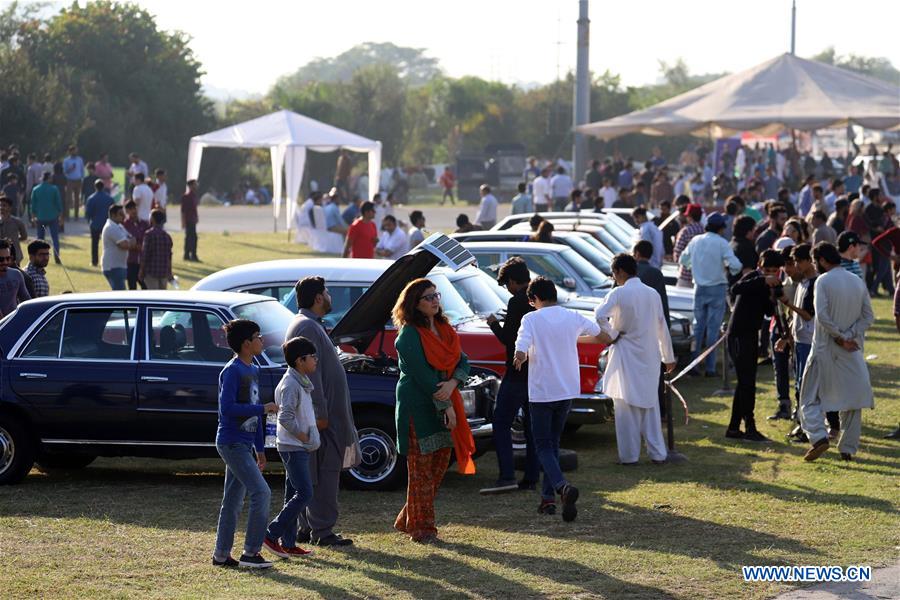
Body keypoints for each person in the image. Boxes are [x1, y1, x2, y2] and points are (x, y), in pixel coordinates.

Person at [392, 278, 475, 542]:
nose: (435, 300)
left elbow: (462, 360)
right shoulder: (407, 337)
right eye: (428, 297)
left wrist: (453, 382)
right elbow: (426, 378)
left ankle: (408, 518)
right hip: (418, 406)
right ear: (414, 304)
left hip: (445, 398)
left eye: (435, 295)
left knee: (439, 465)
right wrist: (447, 405)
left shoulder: (444, 328)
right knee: (420, 470)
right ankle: (422, 529)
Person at [513, 276, 600, 521]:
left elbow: (522, 343)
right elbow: (597, 332)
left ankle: (562, 487)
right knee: (552, 444)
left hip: (542, 391)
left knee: (542, 446)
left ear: (534, 299)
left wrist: (519, 356)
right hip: (567, 390)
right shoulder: (571, 316)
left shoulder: (530, 318)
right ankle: (548, 500)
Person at [286, 277, 361, 546]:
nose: (330, 296)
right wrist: (319, 414)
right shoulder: (306, 326)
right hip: (321, 419)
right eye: (327, 292)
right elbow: (310, 376)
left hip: (323, 416)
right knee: (324, 474)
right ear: (318, 298)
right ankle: (323, 531)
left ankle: (308, 527)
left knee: (316, 474)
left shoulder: (310, 325)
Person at [592, 254, 676, 464]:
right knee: (650, 405)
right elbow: (661, 326)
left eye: (614, 273)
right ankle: (658, 453)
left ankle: (629, 456)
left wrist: (612, 333)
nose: (614, 277)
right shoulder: (652, 293)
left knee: (625, 407)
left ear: (620, 271)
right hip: (649, 355)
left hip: (626, 353)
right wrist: (668, 356)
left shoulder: (619, 293)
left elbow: (599, 315)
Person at [212, 319, 279, 569]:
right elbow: (227, 408)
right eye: (258, 336)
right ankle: (251, 553)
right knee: (261, 492)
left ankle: (220, 555)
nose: (262, 340)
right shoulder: (232, 371)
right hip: (231, 442)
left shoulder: (254, 368)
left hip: (244, 444)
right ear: (246, 344)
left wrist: (260, 450)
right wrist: (263, 408)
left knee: (232, 501)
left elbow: (255, 414)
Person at [799, 242, 874, 462]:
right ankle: (848, 448)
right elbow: (868, 316)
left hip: (824, 348)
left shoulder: (822, 280)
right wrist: (850, 335)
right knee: (853, 399)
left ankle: (818, 436)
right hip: (851, 350)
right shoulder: (856, 280)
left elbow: (821, 316)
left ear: (822, 260)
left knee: (808, 398)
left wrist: (841, 337)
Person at [481, 258, 540, 495]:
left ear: (515, 282)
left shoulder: (517, 301)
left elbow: (508, 339)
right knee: (532, 427)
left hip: (516, 374)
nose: (507, 289)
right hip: (536, 373)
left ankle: (507, 475)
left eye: (507, 285)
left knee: (501, 422)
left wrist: (494, 323)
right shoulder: (539, 298)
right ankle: (531, 477)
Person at [261, 336, 320, 559]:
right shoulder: (291, 384)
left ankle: (288, 543)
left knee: (292, 494)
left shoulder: (300, 381)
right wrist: (304, 436)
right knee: (305, 493)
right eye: (312, 357)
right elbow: (284, 417)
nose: (315, 360)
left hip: (295, 446)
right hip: (292, 446)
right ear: (299, 360)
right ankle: (270, 534)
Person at [725, 250, 785, 442]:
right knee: (747, 384)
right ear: (760, 265)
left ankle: (734, 428)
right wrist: (763, 281)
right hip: (738, 336)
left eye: (775, 271)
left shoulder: (772, 283)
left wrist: (774, 297)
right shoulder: (753, 277)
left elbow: (769, 310)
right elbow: (735, 289)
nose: (771, 274)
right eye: (767, 269)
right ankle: (749, 427)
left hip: (751, 335)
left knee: (745, 383)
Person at [679, 213, 743, 376]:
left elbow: (683, 259)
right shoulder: (722, 243)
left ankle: (694, 365)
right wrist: (729, 269)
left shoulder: (695, 241)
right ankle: (710, 368)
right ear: (721, 228)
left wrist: (694, 267)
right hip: (717, 288)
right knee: (713, 329)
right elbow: (736, 265)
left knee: (698, 328)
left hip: (699, 288)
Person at [777, 244, 817, 437]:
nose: (796, 266)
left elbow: (808, 315)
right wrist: (788, 338)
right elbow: (796, 318)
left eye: (798, 262)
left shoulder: (815, 283)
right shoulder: (801, 283)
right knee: (799, 383)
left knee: (807, 385)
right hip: (799, 339)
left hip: (810, 340)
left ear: (809, 261)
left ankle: (809, 427)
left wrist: (787, 304)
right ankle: (802, 424)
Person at [633, 240, 671, 418]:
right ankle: (660, 410)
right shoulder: (655, 273)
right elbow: (662, 305)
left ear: (637, 253)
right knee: (655, 372)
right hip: (651, 330)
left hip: (630, 332)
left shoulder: (627, 274)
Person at [30, 172, 63, 263]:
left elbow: (33, 204)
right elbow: (58, 203)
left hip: (40, 217)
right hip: (52, 216)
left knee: (40, 239)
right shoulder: (54, 189)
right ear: (48, 178)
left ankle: (39, 257)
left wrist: (33, 216)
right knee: (54, 238)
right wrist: (61, 215)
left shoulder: (36, 189)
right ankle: (57, 256)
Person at [101, 205, 135, 291]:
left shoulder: (119, 226)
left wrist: (129, 242)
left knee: (120, 295)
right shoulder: (111, 227)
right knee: (120, 297)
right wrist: (130, 243)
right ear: (113, 215)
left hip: (119, 266)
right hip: (113, 267)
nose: (124, 216)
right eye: (120, 214)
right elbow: (124, 245)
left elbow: (132, 239)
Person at [139, 209, 173, 289]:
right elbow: (169, 257)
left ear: (153, 219)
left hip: (151, 272)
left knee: (153, 296)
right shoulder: (167, 236)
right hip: (164, 272)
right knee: (162, 298)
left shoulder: (148, 235)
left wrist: (141, 271)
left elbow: (145, 255)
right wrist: (169, 272)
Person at [672, 204, 705, 288]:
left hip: (685, 275)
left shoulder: (685, 231)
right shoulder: (704, 230)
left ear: (690, 217)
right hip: (701, 275)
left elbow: (677, 255)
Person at [85, 180, 115, 267]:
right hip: (107, 224)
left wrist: (89, 220)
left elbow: (88, 213)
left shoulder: (91, 198)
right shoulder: (109, 199)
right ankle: (108, 261)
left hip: (95, 224)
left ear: (95, 187)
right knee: (108, 244)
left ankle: (94, 261)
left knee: (94, 244)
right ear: (103, 187)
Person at [122, 200, 149, 290]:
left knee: (146, 287)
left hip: (143, 261)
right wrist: (134, 246)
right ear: (127, 211)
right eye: (130, 209)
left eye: (134, 208)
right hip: (130, 261)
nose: (133, 211)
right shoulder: (125, 225)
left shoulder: (144, 224)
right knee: (132, 287)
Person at [0, 239, 31, 316]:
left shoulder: (16, 275)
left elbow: (27, 302)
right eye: (1, 259)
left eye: (8, 258)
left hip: (13, 324)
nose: (5, 262)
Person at [0, 196, 27, 267]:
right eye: (0, 205)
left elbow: (24, 236)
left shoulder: (17, 222)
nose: (1, 207)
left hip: (14, 256)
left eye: (4, 205)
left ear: (10, 208)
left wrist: (14, 240)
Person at [62, 145, 84, 222]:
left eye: (76, 150)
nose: (75, 152)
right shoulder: (66, 160)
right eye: (73, 151)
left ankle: (76, 216)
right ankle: (67, 216)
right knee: (68, 199)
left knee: (77, 199)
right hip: (69, 180)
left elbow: (82, 170)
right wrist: (70, 169)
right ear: (70, 151)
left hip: (78, 180)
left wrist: (82, 179)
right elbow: (64, 172)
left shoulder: (80, 160)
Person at [181, 179, 200, 261]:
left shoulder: (194, 196)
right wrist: (183, 222)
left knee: (193, 237)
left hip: (193, 219)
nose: (196, 186)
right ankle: (187, 254)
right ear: (191, 186)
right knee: (189, 237)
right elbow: (183, 210)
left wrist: (196, 217)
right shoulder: (186, 196)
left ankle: (192, 254)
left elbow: (194, 208)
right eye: (195, 184)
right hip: (188, 220)